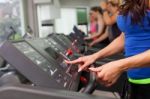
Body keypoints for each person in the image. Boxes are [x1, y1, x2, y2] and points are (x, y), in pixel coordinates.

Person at [66, 0, 150, 98]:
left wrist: (120, 66)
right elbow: (123, 39)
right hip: (134, 78)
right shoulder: (128, 3)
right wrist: (94, 57)